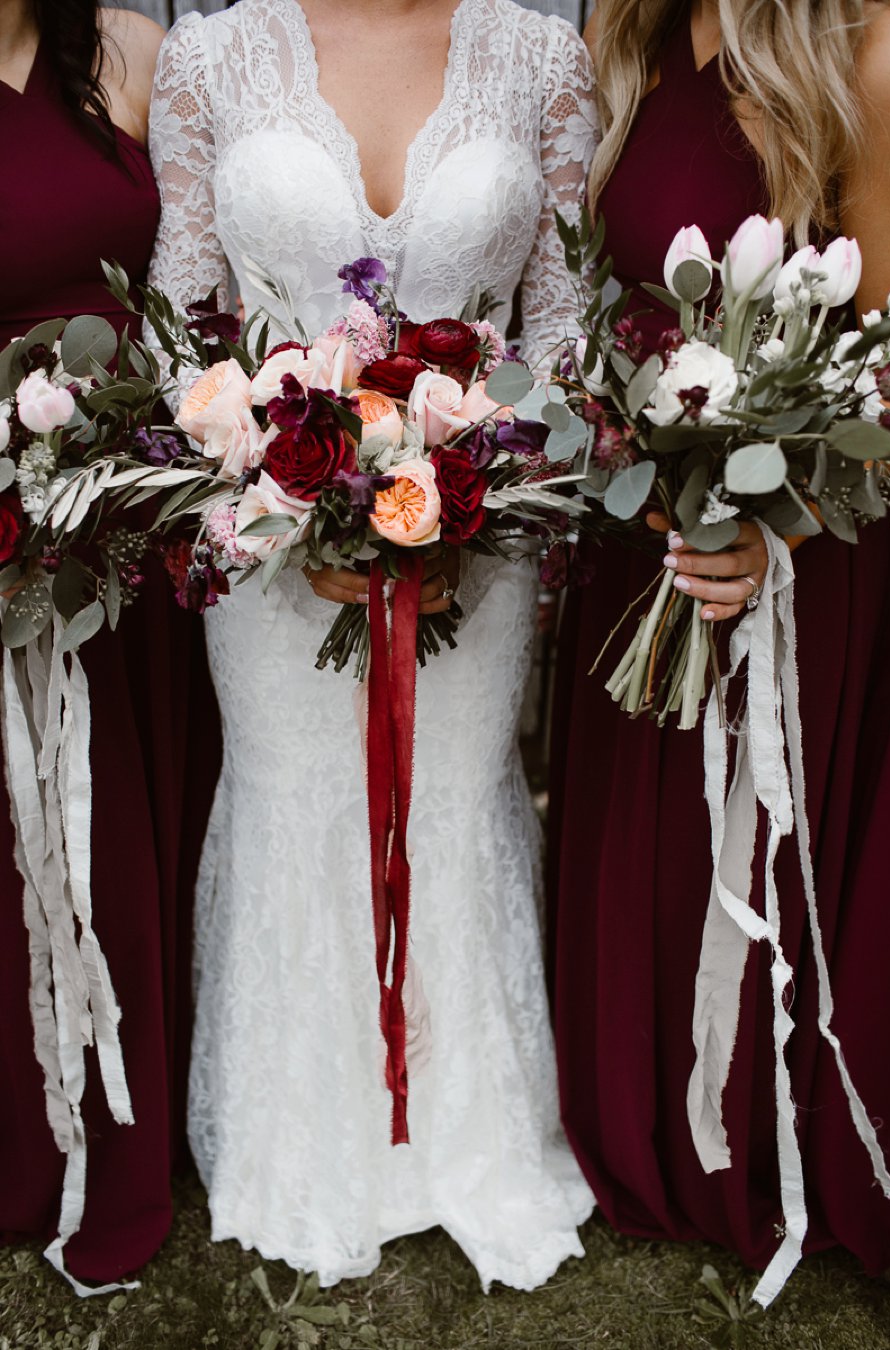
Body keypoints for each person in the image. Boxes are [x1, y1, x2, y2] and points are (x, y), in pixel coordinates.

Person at [147, 0, 597, 1291]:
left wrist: (479, 492)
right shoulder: (209, 59)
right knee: (297, 796)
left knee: (456, 795)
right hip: (272, 554)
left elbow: (557, 334)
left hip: (482, 550)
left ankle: (468, 1127)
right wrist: (277, 491)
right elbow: (183, 333)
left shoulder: (541, 58)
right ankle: (312, 1127)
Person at [549, 0, 890, 1283]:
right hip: (642, 527)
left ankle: (749, 1130)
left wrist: (779, 534)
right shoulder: (633, 37)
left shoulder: (869, 51)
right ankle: (643, 1106)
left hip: (796, 550)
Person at [0, 0, 219, 1284]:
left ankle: (128, 1113)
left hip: (120, 529)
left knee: (123, 820)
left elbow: (186, 297)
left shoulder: (132, 50)